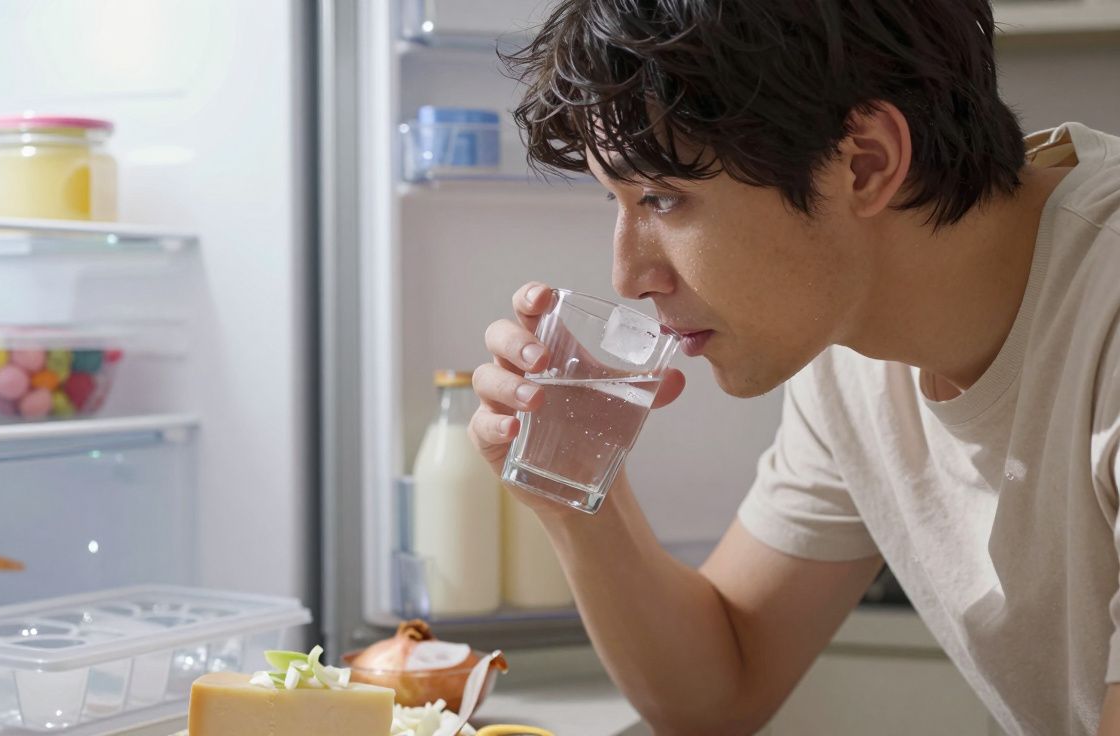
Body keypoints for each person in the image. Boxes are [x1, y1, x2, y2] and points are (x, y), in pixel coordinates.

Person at [467, 1, 1120, 734]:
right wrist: (573, 490)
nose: (628, 275)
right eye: (615, 201)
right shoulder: (851, 341)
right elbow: (718, 689)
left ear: (865, 163)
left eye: (662, 197)